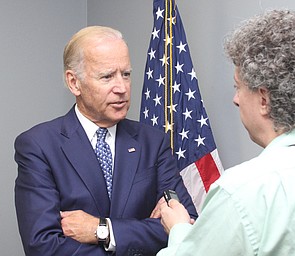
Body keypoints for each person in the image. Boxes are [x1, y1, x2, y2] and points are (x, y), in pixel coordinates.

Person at [14, 26, 197, 256]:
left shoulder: (153, 143)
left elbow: (186, 226)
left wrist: (101, 230)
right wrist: (143, 234)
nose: (121, 88)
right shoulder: (39, 146)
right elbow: (44, 247)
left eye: (126, 74)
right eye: (107, 76)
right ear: (74, 83)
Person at [157, 9, 295, 256]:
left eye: (238, 87)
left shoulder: (245, 190)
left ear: (264, 100)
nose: (235, 99)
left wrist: (179, 229)